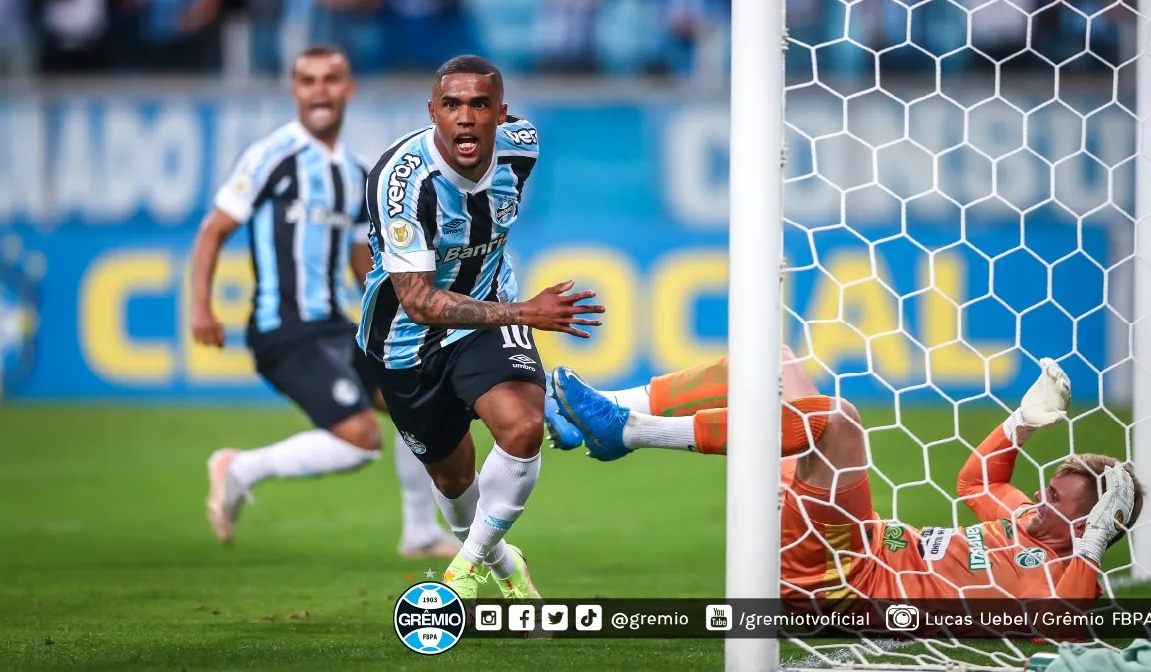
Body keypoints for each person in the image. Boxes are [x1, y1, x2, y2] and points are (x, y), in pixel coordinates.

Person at [550, 353, 1143, 604]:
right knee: (772, 359)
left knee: (838, 421)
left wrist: (1092, 542)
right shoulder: (1026, 525)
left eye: (1058, 501)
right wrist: (1022, 422)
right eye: (1045, 488)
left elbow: (1066, 631)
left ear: (1091, 523)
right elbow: (975, 484)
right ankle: (603, 411)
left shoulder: (1057, 585)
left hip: (846, 580)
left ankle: (629, 431)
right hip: (844, 540)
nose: (1039, 500)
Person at [190, 45, 459, 560]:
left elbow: (364, 261)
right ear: (295, 90)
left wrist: (402, 317)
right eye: (308, 80)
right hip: (284, 328)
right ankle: (239, 468)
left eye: (330, 79)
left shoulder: (359, 172)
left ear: (348, 89)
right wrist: (201, 308)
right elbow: (212, 231)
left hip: (336, 327)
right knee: (360, 441)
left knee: (419, 400)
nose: (320, 90)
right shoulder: (274, 155)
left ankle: (420, 533)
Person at [357, 54, 605, 599]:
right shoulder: (402, 184)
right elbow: (418, 301)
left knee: (521, 428)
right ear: (432, 112)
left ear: (501, 113)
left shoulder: (523, 148)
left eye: (478, 105)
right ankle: (500, 561)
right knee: (453, 479)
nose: (465, 118)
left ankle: (463, 571)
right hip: (405, 343)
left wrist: (513, 312)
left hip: (489, 313)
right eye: (451, 105)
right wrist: (528, 313)